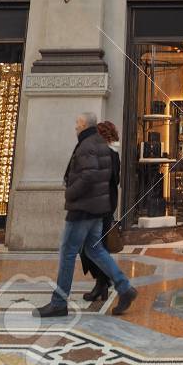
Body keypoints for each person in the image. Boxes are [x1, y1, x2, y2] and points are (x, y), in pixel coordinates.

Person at [36, 112, 137, 318]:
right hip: (96, 208)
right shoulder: (100, 144)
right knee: (95, 249)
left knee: (68, 252)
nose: (75, 126)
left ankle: (58, 302)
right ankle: (124, 287)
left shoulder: (87, 145)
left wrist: (71, 192)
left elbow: (90, 175)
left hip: (83, 208)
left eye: (77, 123)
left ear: (84, 124)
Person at [79, 121, 121, 303]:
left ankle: (109, 283)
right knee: (95, 246)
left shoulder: (109, 155)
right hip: (101, 205)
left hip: (100, 206)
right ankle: (102, 284)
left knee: (92, 247)